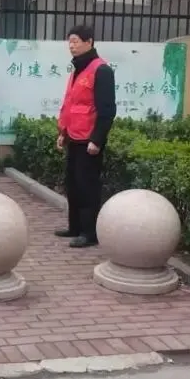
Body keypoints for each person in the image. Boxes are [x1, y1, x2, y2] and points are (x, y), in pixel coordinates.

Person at [54, 26, 116, 249]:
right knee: (72, 184)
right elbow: (70, 104)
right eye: (69, 41)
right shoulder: (77, 69)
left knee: (87, 186)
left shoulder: (101, 70)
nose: (71, 45)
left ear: (89, 42)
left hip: (89, 140)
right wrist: (63, 132)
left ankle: (89, 232)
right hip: (74, 136)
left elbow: (107, 110)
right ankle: (75, 227)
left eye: (76, 41)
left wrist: (97, 140)